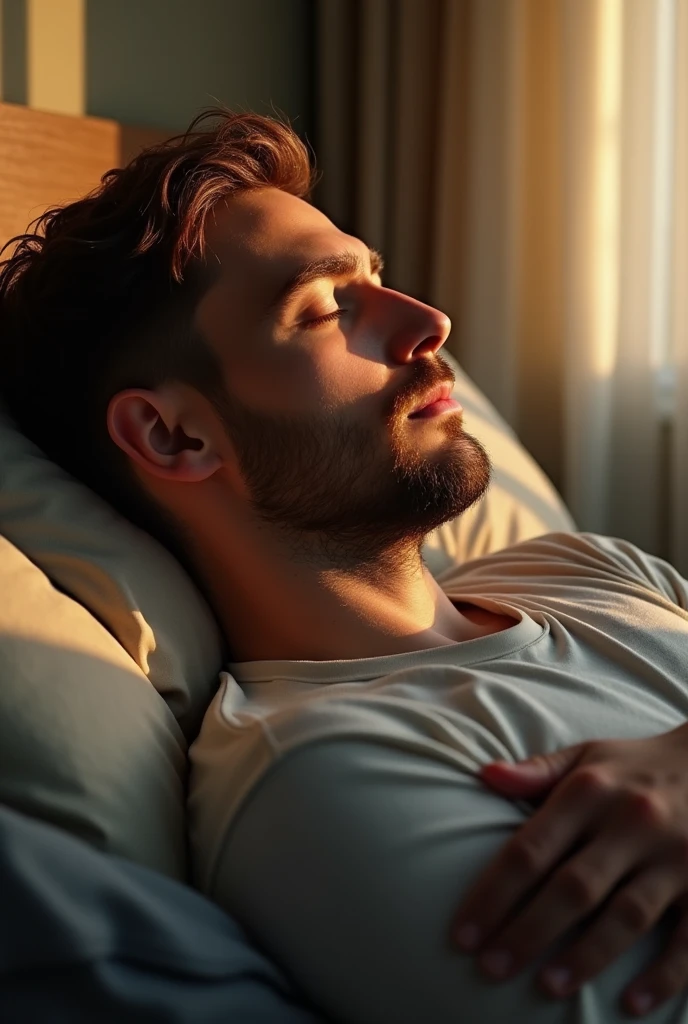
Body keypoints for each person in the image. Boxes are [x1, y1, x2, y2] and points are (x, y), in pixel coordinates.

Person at [2, 107, 688, 1023]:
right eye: (328, 308)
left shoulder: (587, 570)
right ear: (173, 433)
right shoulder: (323, 786)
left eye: (378, 278)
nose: (429, 321)